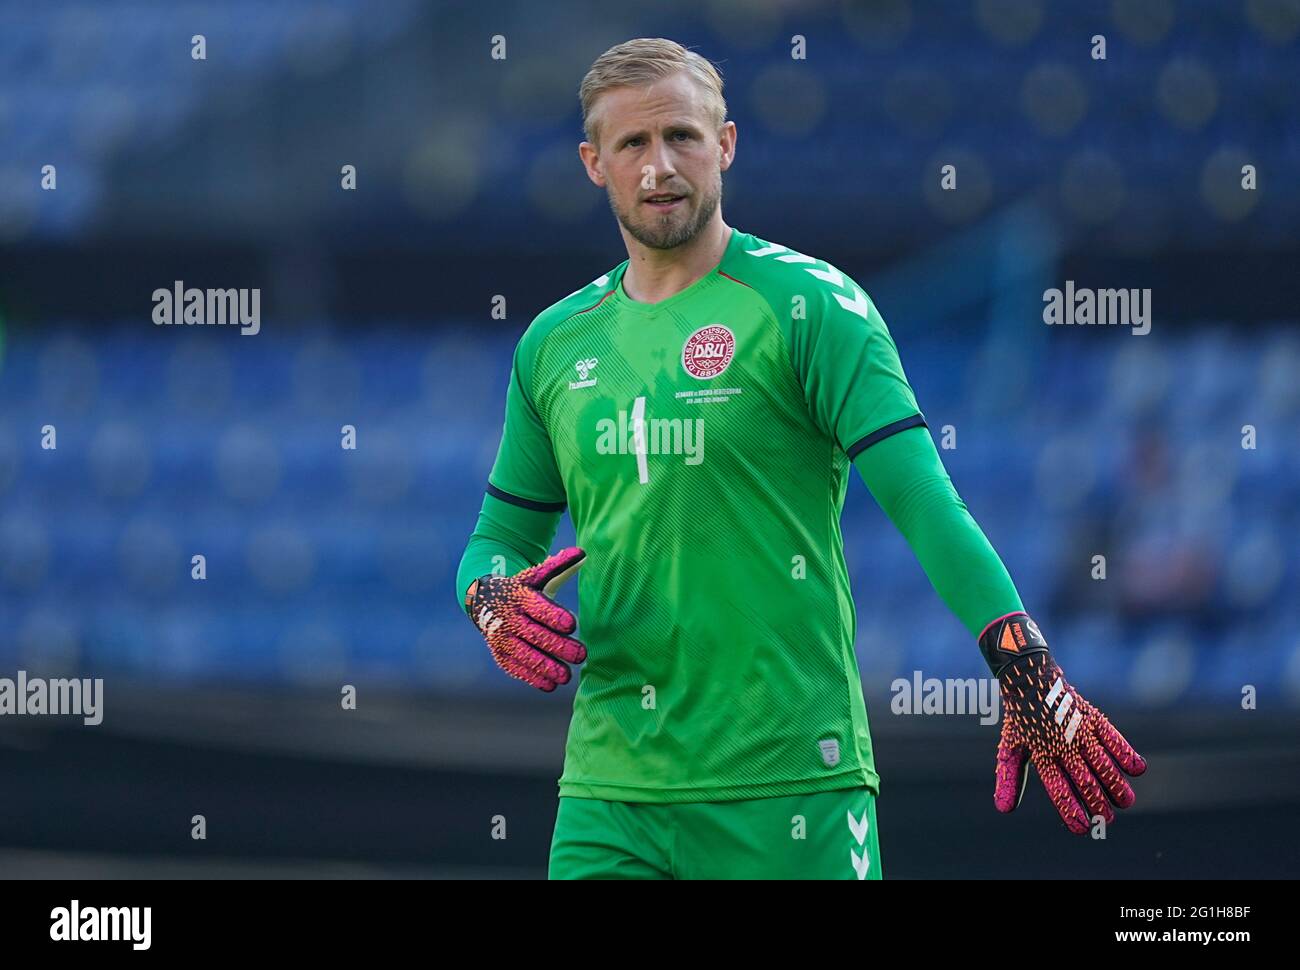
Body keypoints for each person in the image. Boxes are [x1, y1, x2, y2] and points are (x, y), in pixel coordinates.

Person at [456, 38, 1145, 880]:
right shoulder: (554, 344)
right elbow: (500, 535)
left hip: (792, 785)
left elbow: (926, 503)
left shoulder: (814, 305)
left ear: (727, 144)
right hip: (610, 794)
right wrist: (487, 596)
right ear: (593, 163)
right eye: (632, 144)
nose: (660, 165)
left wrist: (1018, 654)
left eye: (683, 136)